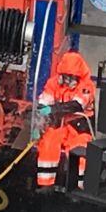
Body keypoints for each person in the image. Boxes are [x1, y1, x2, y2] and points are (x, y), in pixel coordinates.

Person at [34, 51, 96, 188]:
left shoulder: (86, 87)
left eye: (71, 77)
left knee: (80, 151)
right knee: (48, 143)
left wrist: (52, 110)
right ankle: (45, 184)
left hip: (80, 127)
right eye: (65, 76)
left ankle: (80, 186)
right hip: (60, 124)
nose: (67, 80)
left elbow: (77, 105)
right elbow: (44, 101)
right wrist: (38, 125)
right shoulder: (53, 83)